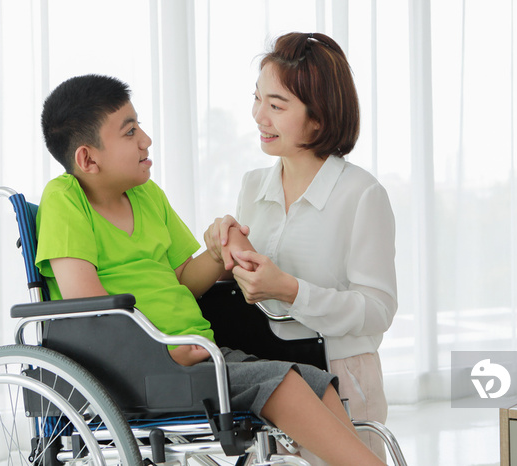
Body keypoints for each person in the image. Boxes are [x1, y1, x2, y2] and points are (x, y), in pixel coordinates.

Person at [34, 74, 384, 466]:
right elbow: (88, 306)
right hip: (141, 369)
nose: (146, 139)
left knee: (315, 383)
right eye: (130, 132)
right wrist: (158, 350)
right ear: (87, 158)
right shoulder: (64, 200)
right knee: (285, 385)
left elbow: (184, 278)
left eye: (140, 126)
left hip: (200, 354)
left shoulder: (147, 195)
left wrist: (219, 252)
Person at [206, 32, 397, 462]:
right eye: (257, 99)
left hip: (342, 376)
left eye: (276, 106)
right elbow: (247, 288)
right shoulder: (253, 186)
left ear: (319, 118)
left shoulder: (362, 194)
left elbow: (378, 310)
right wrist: (223, 250)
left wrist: (289, 289)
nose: (259, 116)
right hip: (272, 374)